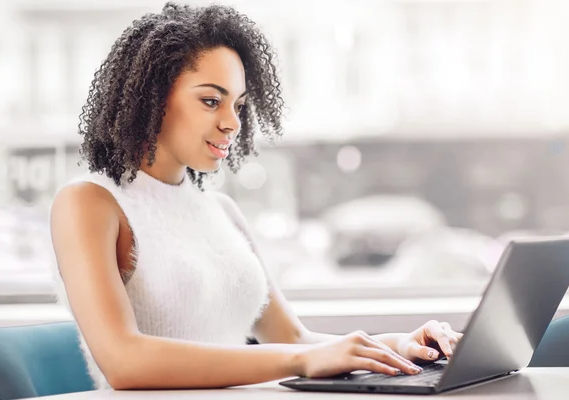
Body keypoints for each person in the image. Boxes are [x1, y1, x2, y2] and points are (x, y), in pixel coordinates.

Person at [50, 2, 463, 391]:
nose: (232, 122)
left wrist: (402, 346)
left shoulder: (221, 211)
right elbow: (124, 362)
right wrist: (295, 361)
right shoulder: (89, 203)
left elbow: (294, 338)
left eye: (240, 105)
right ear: (151, 99)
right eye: (211, 101)